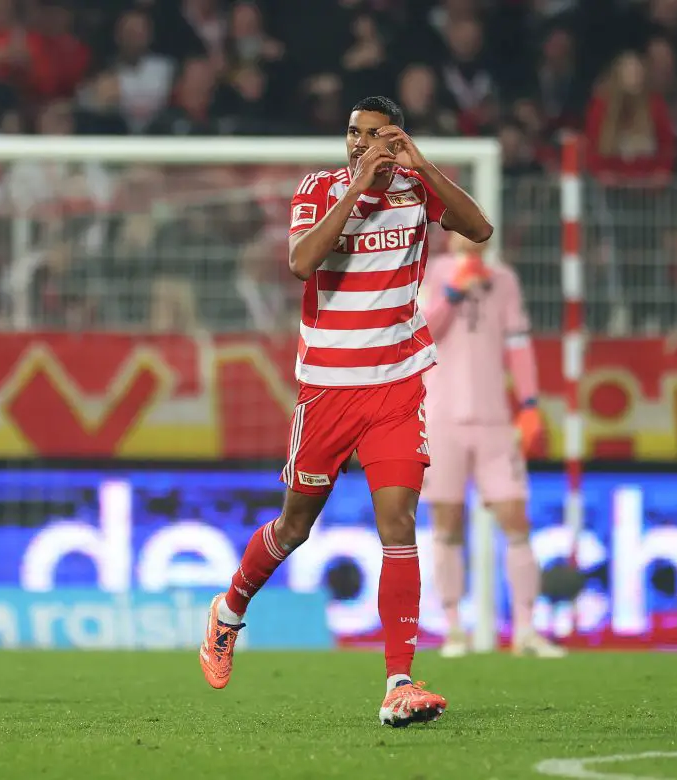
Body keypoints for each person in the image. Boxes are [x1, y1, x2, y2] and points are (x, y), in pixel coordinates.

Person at [198, 95, 493, 727]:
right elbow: (302, 261)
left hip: (396, 386)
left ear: (398, 139)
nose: (360, 143)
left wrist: (423, 164)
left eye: (376, 136)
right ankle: (228, 611)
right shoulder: (320, 187)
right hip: (327, 389)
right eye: (354, 133)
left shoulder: (418, 189)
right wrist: (359, 184)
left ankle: (399, 682)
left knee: (399, 521)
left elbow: (479, 228)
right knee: (294, 528)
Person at [419, 234, 566, 659]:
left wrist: (531, 403)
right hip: (441, 417)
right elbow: (422, 332)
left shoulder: (504, 280)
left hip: (494, 421)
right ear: (451, 234)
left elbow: (518, 344)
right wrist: (452, 291)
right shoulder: (431, 273)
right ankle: (452, 629)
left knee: (515, 517)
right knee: (446, 523)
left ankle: (524, 630)